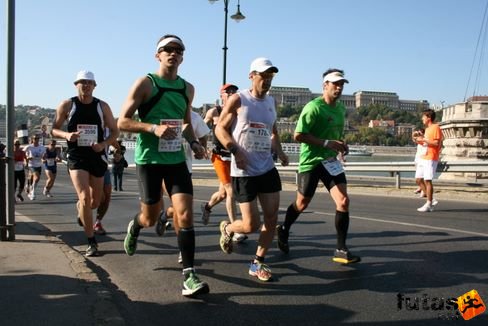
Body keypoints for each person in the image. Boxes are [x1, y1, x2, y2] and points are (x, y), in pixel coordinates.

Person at [117, 34, 209, 297]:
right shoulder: (146, 83)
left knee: (185, 214)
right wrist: (152, 127)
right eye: (167, 49)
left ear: (183, 56)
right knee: (149, 216)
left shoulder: (187, 88)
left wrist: (194, 144)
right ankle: (135, 226)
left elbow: (186, 123)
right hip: (149, 160)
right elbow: (123, 122)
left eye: (178, 50)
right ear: (157, 55)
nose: (173, 53)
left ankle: (189, 275)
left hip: (176, 160)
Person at [276, 68, 361, 265]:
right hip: (311, 162)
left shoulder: (341, 109)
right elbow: (298, 135)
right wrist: (326, 143)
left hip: (331, 162)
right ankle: (284, 228)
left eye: (341, 84)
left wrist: (341, 145)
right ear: (325, 85)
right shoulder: (313, 107)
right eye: (335, 84)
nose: (338, 88)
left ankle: (341, 249)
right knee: (302, 203)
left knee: (343, 201)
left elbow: (335, 136)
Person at [215, 57, 289, 282]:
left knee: (271, 218)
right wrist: (235, 151)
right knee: (250, 224)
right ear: (252, 76)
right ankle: (228, 229)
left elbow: (273, 131)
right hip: (244, 171)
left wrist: (282, 152)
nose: (267, 80)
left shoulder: (271, 102)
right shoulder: (239, 100)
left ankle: (257, 262)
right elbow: (220, 129)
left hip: (267, 168)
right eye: (263, 75)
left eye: (270, 76)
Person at [51, 70, 119, 257]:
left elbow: (115, 131)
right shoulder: (67, 104)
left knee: (96, 201)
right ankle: (91, 242)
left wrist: (104, 144)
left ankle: (81, 208)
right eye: (82, 82)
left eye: (90, 82)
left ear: (95, 86)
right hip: (76, 155)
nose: (86, 85)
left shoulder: (102, 106)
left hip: (97, 156)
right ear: (76, 84)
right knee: (85, 197)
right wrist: (67, 135)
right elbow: (54, 130)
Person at [201, 83, 247, 243]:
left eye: (234, 91)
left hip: (232, 155)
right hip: (219, 156)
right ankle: (234, 229)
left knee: (222, 194)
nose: (232, 93)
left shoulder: (238, 110)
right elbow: (201, 128)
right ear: (222, 95)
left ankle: (207, 207)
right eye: (228, 92)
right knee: (230, 191)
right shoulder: (215, 111)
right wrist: (201, 145)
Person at [156, 109, 210, 237]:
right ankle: (182, 242)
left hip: (186, 167)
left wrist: (201, 149)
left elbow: (203, 135)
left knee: (180, 208)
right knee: (179, 207)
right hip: (165, 165)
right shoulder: (163, 109)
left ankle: (164, 216)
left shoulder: (195, 117)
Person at [413, 109, 443, 212]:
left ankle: (429, 204)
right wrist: (418, 140)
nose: (422, 118)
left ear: (429, 117)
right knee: (418, 179)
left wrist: (424, 139)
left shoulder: (435, 127)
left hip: (431, 157)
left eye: (423, 117)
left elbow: (435, 143)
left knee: (427, 180)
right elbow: (426, 143)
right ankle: (431, 199)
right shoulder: (428, 129)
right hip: (423, 157)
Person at [24, 135, 46, 200]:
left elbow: (44, 156)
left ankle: (28, 186)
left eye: (37, 138)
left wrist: (44, 158)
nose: (36, 140)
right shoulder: (28, 147)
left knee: (34, 179)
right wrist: (27, 159)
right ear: (32, 139)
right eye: (35, 138)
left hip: (39, 165)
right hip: (31, 165)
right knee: (36, 178)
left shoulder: (42, 147)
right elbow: (23, 154)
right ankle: (32, 192)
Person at [412, 128, 426, 197]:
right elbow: (414, 139)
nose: (419, 135)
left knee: (421, 177)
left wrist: (419, 136)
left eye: (420, 133)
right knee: (419, 177)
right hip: (417, 160)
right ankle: (420, 188)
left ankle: (424, 191)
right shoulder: (419, 140)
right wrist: (415, 134)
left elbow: (415, 139)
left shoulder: (424, 140)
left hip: (422, 160)